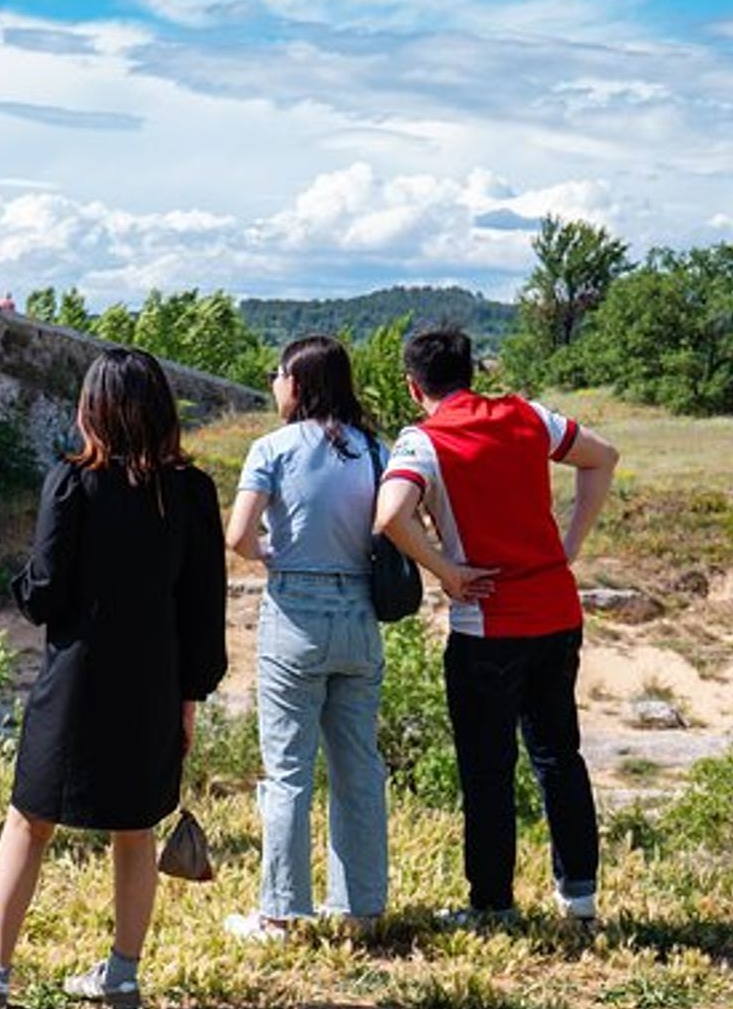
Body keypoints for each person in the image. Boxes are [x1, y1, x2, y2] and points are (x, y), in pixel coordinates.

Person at [0, 347, 226, 1009]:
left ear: (92, 409)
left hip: (76, 681)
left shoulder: (72, 483)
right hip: (154, 681)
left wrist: (20, 579)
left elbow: (45, 594)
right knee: (136, 828)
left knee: (28, 821)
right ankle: (123, 974)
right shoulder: (192, 492)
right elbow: (204, 606)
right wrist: (190, 695)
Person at [374, 327, 617, 923]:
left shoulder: (423, 441)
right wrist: (570, 545)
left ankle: (491, 904)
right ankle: (578, 893)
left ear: (413, 387)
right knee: (559, 755)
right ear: (472, 372)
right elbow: (603, 457)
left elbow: (389, 517)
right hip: (557, 612)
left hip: (486, 625)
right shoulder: (527, 415)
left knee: (487, 770)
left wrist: (446, 570)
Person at [221, 336, 391, 940]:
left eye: (278, 374)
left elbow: (238, 536)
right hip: (360, 615)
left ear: (297, 382)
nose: (273, 383)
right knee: (359, 768)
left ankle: (280, 912)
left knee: (289, 769)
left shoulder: (272, 448)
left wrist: (277, 555)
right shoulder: (376, 450)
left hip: (295, 613)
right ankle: (362, 908)